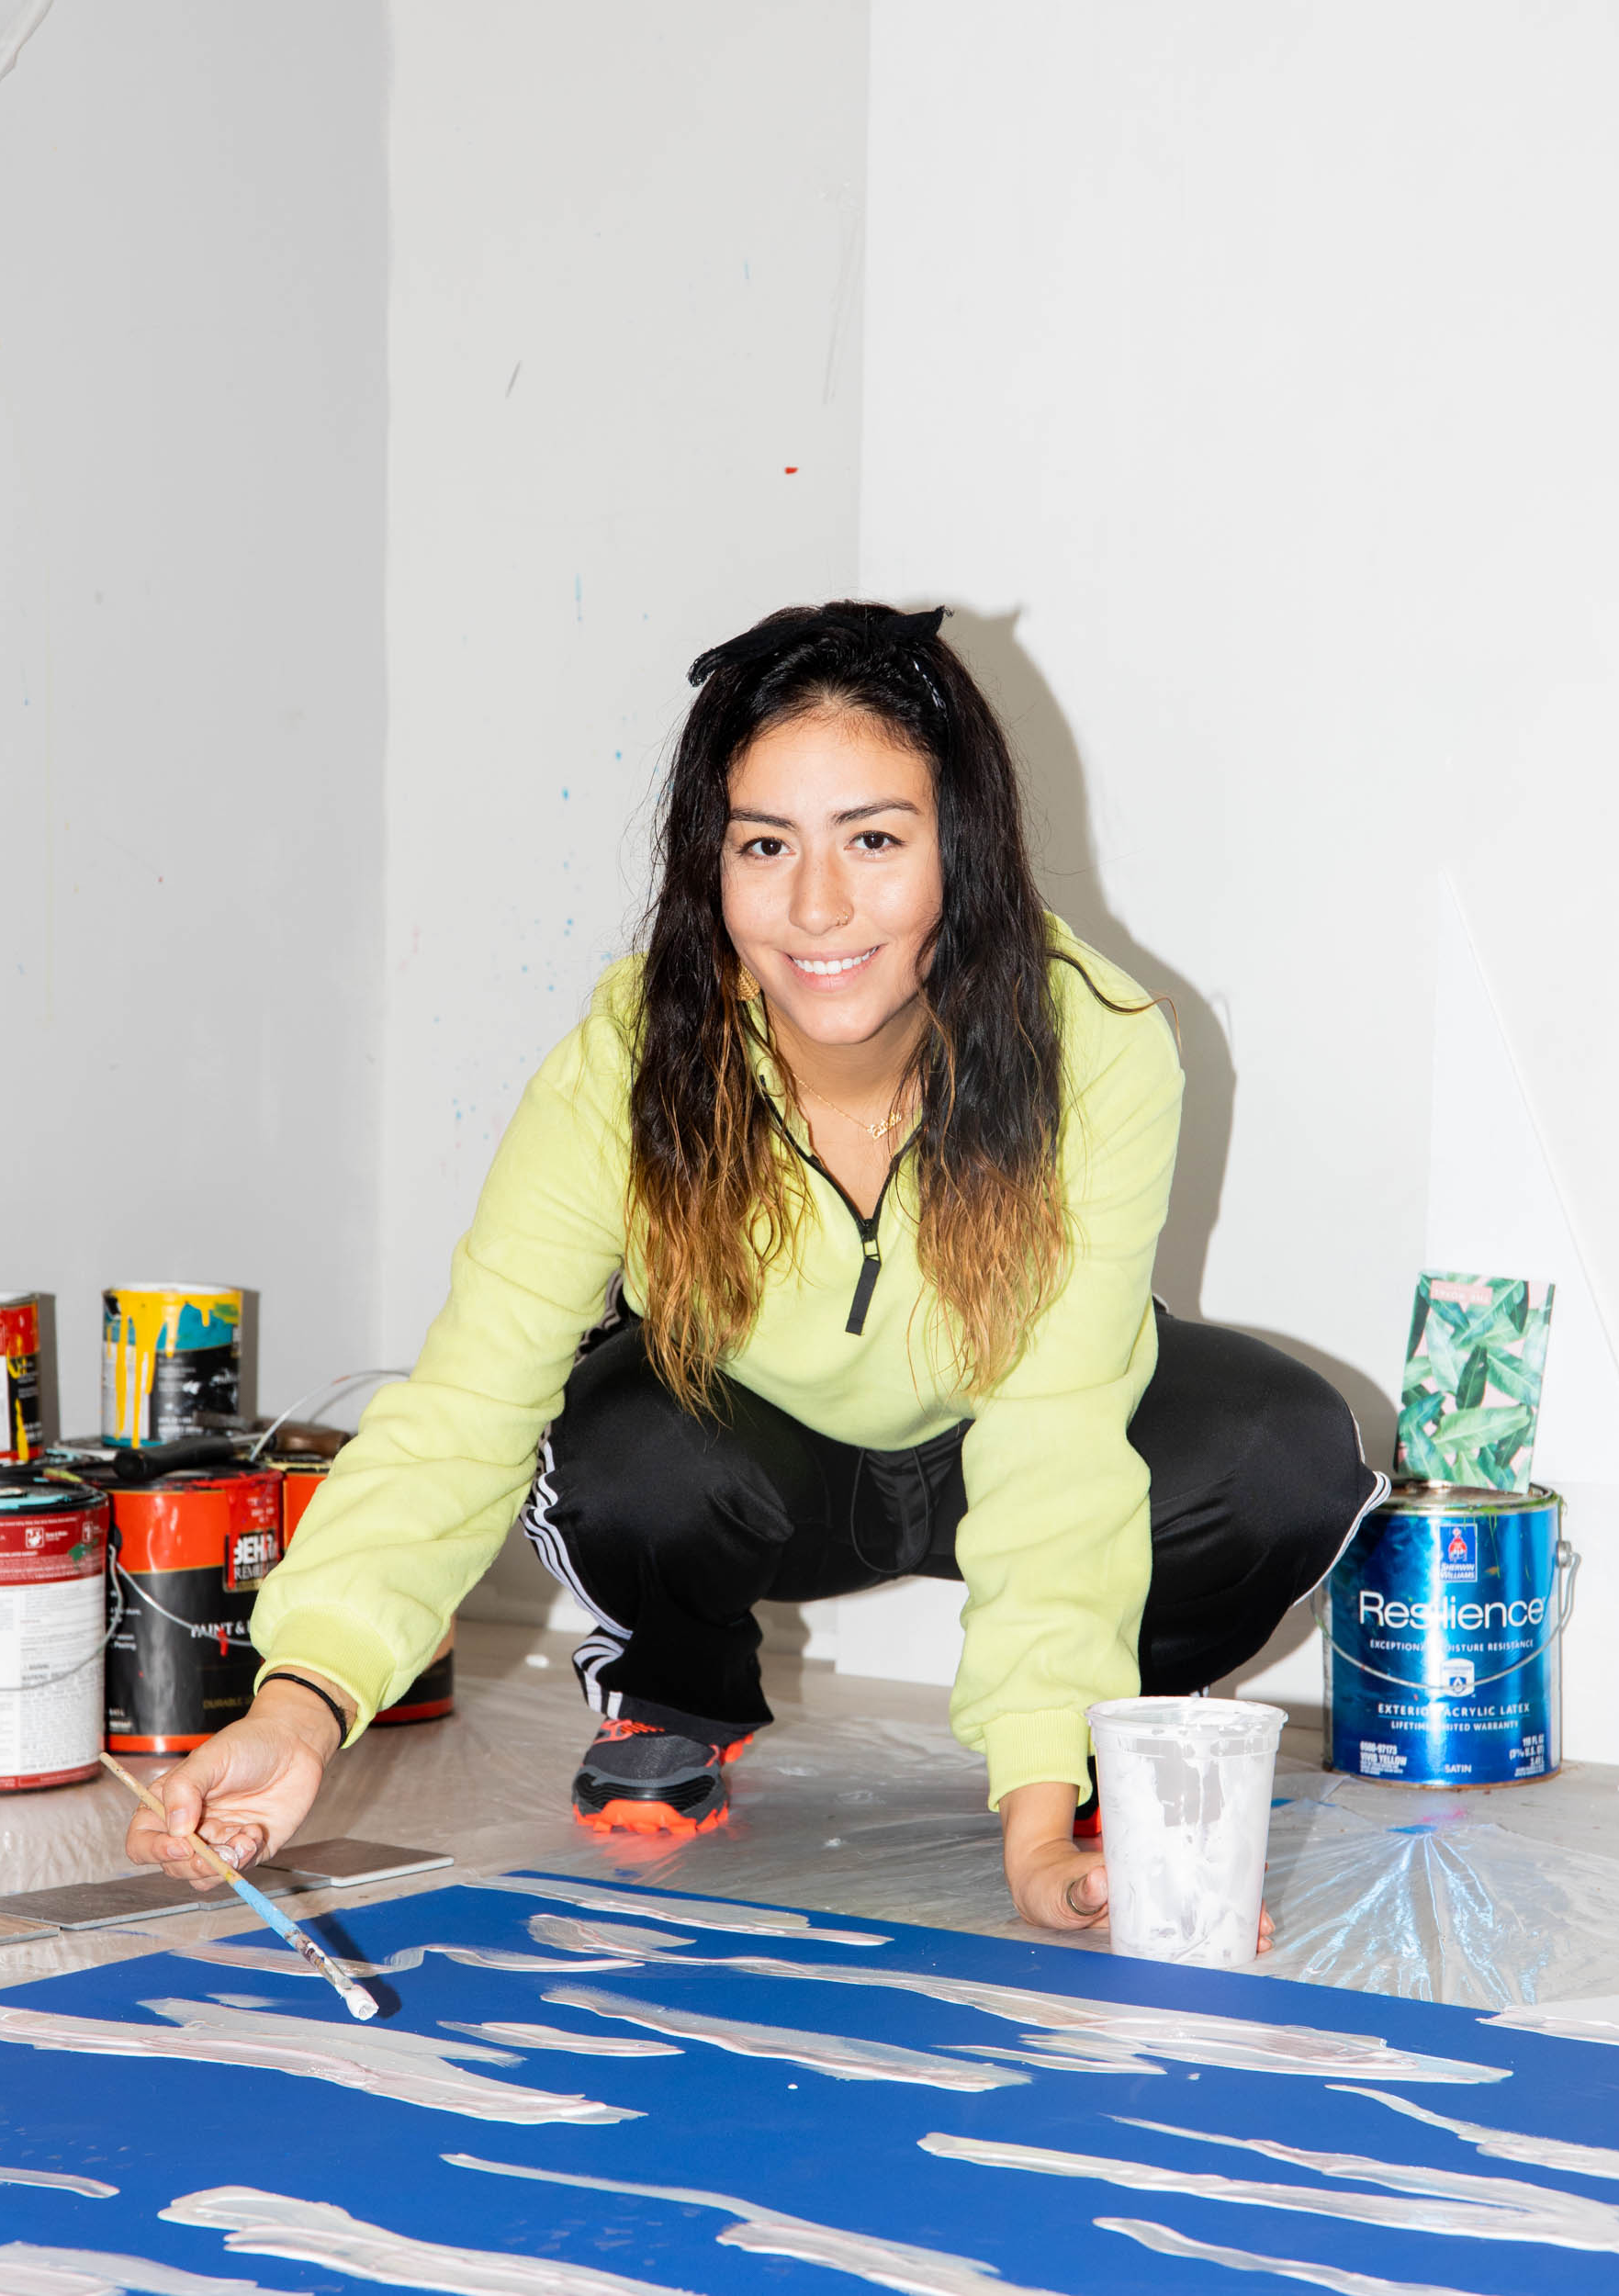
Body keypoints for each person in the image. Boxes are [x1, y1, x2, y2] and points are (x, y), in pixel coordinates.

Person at [126, 601, 1385, 1935]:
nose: (818, 907)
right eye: (766, 845)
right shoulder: (630, 1057)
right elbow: (465, 1410)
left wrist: (1033, 1833)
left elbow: (1058, 1438)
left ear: (963, 850)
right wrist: (299, 1709)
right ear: (707, 864)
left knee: (1279, 1453)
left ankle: (1085, 1747)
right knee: (618, 1443)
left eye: (877, 840)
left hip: (998, 1430)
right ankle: (676, 1698)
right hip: (757, 1469)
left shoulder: (1099, 1044)